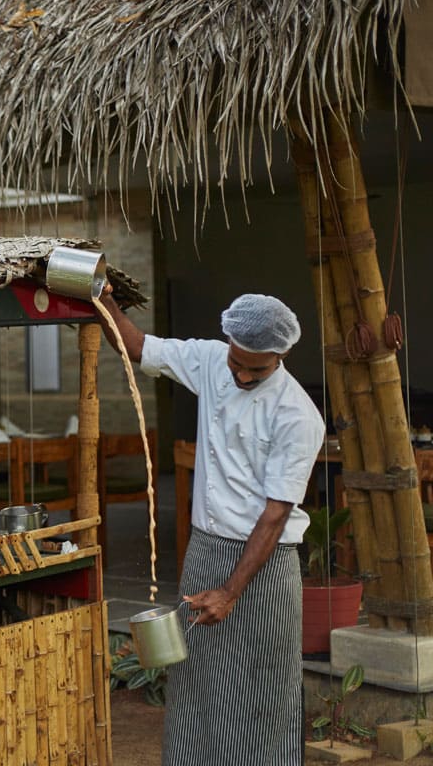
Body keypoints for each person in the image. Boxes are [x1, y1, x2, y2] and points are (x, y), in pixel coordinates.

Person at [96, 289, 324, 766]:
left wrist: (232, 590)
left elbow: (275, 515)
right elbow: (140, 348)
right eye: (236, 363)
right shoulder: (212, 361)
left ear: (280, 357)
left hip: (264, 568)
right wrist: (101, 301)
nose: (241, 375)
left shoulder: (297, 416)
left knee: (260, 693)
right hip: (206, 551)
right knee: (196, 679)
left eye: (254, 370)